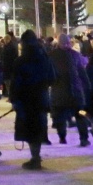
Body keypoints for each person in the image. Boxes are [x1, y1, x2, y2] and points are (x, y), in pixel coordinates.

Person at [10, 29, 56, 170]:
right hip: (41, 97)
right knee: (38, 127)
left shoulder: (20, 61)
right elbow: (52, 77)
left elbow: (16, 82)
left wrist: (14, 99)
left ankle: (35, 158)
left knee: (29, 128)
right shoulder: (45, 58)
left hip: (26, 99)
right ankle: (36, 156)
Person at [49, 34, 91, 147]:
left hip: (60, 92)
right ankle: (83, 138)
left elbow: (49, 73)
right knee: (80, 115)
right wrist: (87, 85)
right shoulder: (74, 55)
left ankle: (63, 137)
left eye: (67, 43)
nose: (67, 45)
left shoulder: (52, 55)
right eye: (65, 43)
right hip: (73, 91)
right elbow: (82, 72)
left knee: (62, 116)